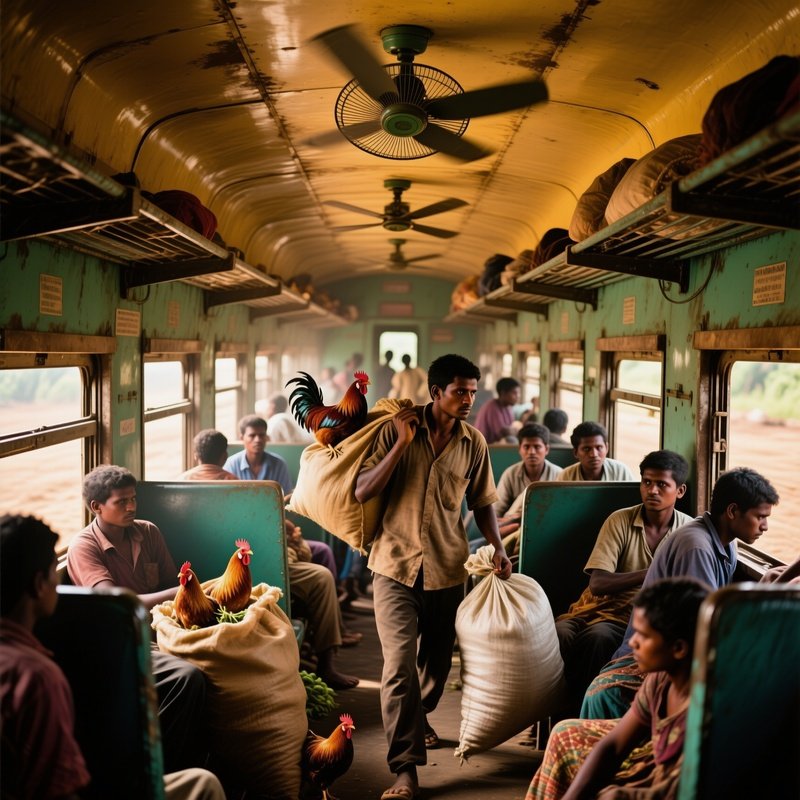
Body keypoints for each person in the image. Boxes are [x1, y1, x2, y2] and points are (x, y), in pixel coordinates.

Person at [355, 353, 513, 800]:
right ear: (436, 392)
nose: (468, 400)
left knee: (438, 666)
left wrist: (498, 549)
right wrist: (403, 444)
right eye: (460, 391)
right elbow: (363, 489)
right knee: (399, 667)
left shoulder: (474, 443)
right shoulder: (395, 429)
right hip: (393, 565)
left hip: (447, 568)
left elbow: (483, 502)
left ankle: (418, 713)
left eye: (473, 392)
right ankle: (404, 769)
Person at [1, 513, 226, 800]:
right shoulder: (38, 678)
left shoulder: (147, 533)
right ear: (39, 585)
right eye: (51, 575)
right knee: (204, 784)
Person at [582, 466, 779, 720]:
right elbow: (704, 624)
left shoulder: (725, 543)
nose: (764, 526)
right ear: (732, 512)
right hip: (651, 657)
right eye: (760, 517)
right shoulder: (696, 547)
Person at [66, 466, 209, 773]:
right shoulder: (84, 547)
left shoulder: (147, 531)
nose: (131, 507)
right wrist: (190, 588)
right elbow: (118, 606)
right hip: (119, 641)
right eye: (122, 502)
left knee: (219, 657)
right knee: (189, 677)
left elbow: (169, 586)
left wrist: (185, 596)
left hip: (159, 628)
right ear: (96, 507)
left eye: (133, 499)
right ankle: (164, 771)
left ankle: (202, 761)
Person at [527, 577, 711, 800]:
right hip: (657, 759)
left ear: (679, 648)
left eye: (643, 636)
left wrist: (626, 795)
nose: (633, 643)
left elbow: (683, 787)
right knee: (564, 734)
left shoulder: (703, 710)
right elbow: (614, 744)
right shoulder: (660, 680)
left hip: (678, 783)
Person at [555, 450, 693, 715]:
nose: (652, 490)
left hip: (635, 617)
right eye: (647, 482)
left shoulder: (686, 532)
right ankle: (554, 713)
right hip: (597, 607)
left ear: (680, 491)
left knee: (599, 638)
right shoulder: (620, 520)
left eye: (662, 484)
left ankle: (582, 713)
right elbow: (598, 584)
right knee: (559, 633)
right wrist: (651, 572)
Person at [283, 519, 361, 687]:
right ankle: (326, 665)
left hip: (274, 533)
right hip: (260, 544)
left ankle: (334, 626)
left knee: (323, 550)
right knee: (321, 577)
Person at [223, 414, 293, 488]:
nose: (258, 440)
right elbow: (228, 495)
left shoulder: (279, 464)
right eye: (252, 435)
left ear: (266, 437)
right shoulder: (231, 465)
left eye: (261, 435)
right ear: (242, 438)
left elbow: (286, 495)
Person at [558, 421, 637, 482]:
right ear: (575, 452)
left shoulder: (621, 471)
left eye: (599, 447)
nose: (594, 454)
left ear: (606, 448)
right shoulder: (566, 476)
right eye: (586, 449)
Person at [473, 377, 522, 444]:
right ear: (503, 393)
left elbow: (510, 430)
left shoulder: (508, 408)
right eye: (514, 393)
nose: (518, 396)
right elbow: (503, 433)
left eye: (518, 393)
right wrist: (515, 430)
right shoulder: (492, 407)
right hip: (484, 447)